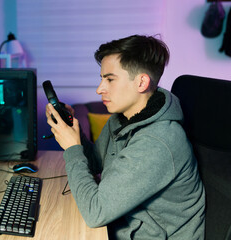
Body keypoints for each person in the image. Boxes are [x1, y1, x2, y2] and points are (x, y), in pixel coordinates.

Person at [45, 35, 205, 239]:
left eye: (110, 79)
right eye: (101, 78)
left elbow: (96, 212)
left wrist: (72, 149)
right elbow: (95, 163)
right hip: (118, 225)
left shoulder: (157, 143)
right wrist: (73, 133)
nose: (99, 89)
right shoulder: (122, 119)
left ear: (141, 82)